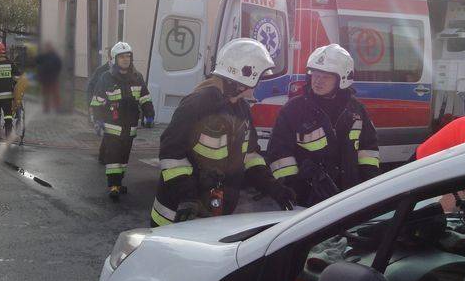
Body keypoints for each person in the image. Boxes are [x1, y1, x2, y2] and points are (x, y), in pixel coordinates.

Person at [151, 38, 295, 227]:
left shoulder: (243, 109)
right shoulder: (196, 104)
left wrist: (271, 186)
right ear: (244, 79)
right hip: (175, 215)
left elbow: (250, 156)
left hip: (214, 212)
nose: (259, 84)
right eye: (258, 78)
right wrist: (187, 196)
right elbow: (171, 154)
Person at [267, 44, 379, 207]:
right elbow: (279, 154)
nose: (318, 81)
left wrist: (369, 183)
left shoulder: (356, 110)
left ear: (342, 79)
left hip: (350, 195)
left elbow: (368, 150)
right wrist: (294, 188)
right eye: (315, 75)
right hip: (308, 200)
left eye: (325, 77)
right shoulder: (293, 110)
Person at [90, 42, 155, 201]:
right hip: (112, 127)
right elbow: (97, 102)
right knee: (113, 157)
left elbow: (145, 98)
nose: (126, 59)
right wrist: (98, 121)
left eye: (128, 56)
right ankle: (113, 185)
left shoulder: (137, 77)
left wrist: (149, 115)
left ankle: (118, 183)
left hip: (130, 128)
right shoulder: (106, 78)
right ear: (114, 59)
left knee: (124, 158)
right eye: (122, 57)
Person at [88, 49, 113, 164]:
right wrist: (91, 105)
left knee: (112, 134)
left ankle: (107, 156)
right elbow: (91, 87)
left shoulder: (126, 71)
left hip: (116, 108)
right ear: (109, 57)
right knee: (108, 133)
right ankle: (103, 157)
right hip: (103, 107)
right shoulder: (101, 71)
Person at [34, 43, 62, 113]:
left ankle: (57, 108)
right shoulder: (43, 56)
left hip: (53, 78)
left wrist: (56, 73)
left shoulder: (54, 56)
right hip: (46, 79)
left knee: (55, 94)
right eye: (46, 47)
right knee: (46, 94)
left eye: (48, 47)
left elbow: (59, 65)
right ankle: (47, 108)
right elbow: (37, 60)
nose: (47, 49)